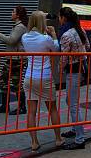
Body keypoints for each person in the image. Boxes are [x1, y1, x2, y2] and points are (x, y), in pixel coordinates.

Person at [21, 11, 63, 151]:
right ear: (41, 23)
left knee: (31, 111)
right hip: (44, 77)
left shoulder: (24, 37)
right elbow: (56, 49)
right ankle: (58, 139)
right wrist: (54, 34)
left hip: (29, 77)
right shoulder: (45, 39)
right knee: (52, 109)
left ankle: (34, 142)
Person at [59, 7, 90, 150]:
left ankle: (80, 138)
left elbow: (64, 57)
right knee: (71, 100)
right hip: (82, 68)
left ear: (63, 18)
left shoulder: (66, 35)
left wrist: (59, 69)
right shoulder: (80, 30)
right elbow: (88, 46)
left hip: (73, 70)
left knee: (73, 104)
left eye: (60, 18)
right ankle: (74, 129)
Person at [0, 6, 28, 115]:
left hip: (16, 60)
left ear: (18, 15)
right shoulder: (18, 26)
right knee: (4, 81)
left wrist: (0, 36)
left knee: (16, 83)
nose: (11, 13)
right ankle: (5, 106)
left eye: (13, 11)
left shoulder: (20, 27)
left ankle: (22, 107)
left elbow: (12, 40)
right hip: (13, 58)